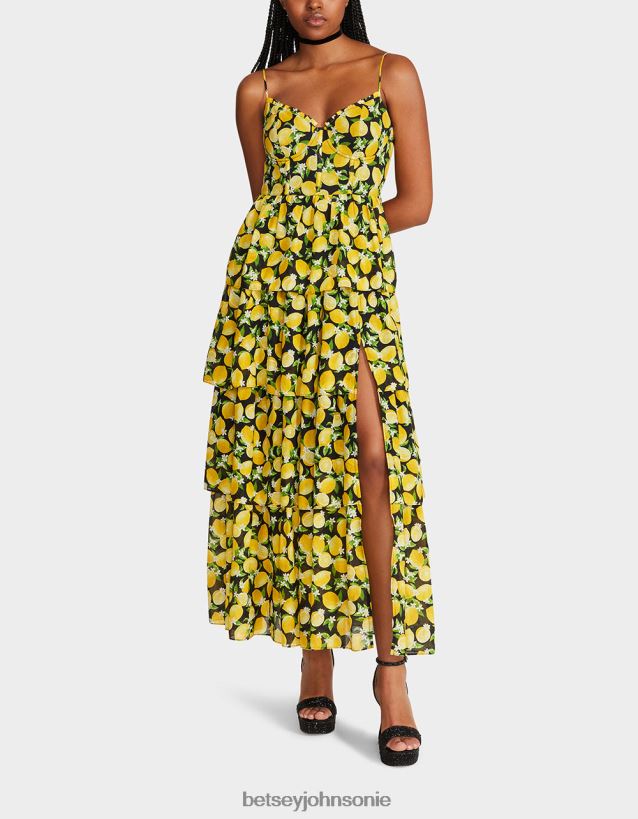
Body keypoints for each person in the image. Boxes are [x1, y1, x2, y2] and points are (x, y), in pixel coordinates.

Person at [202, 0, 435, 766]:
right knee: (300, 463)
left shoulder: (392, 73)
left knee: (374, 459)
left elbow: (416, 203)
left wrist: (338, 233)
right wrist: (307, 236)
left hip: (355, 291)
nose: (313, 3)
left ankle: (391, 670)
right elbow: (268, 207)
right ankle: (315, 652)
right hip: (275, 295)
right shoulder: (257, 91)